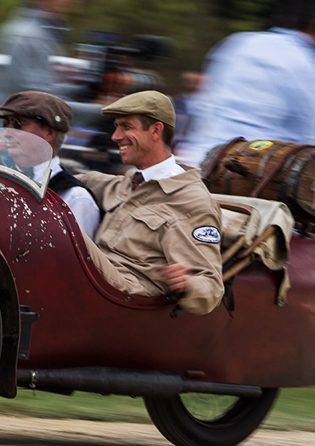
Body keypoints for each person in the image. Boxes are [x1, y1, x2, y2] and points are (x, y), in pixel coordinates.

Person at [74, 90, 226, 315]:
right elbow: (74, 180)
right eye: (116, 127)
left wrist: (187, 282)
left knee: (63, 232)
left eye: (126, 127)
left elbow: (211, 287)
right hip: (96, 283)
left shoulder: (192, 201)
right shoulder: (127, 182)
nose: (115, 136)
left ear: (156, 130)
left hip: (126, 295)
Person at [177, 0, 315, 165]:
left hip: (197, 160)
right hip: (251, 174)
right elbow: (313, 139)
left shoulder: (237, 43)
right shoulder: (312, 66)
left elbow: (204, 105)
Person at [0, 0, 100, 108]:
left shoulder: (44, 31)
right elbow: (36, 101)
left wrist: (84, 90)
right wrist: (100, 109)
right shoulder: (28, 34)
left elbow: (45, 91)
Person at [0, 90, 101, 237]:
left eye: (18, 124)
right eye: (6, 122)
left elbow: (71, 258)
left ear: (49, 133)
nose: (6, 132)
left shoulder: (74, 198)